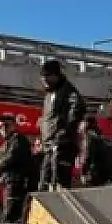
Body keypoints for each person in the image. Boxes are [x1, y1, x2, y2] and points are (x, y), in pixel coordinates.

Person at [37, 60, 85, 191]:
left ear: (56, 75)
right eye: (42, 77)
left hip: (62, 146)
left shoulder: (68, 91)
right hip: (49, 146)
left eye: (47, 76)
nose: (44, 80)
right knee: (43, 185)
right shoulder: (49, 95)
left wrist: (65, 132)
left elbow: (77, 109)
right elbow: (48, 118)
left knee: (59, 184)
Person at [0, 115, 36, 222]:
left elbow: (11, 156)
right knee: (8, 212)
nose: (3, 129)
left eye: (6, 126)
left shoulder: (18, 140)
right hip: (9, 182)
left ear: (13, 126)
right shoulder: (8, 142)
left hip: (15, 183)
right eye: (0, 127)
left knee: (10, 215)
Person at [77, 114, 112, 187]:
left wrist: (83, 174)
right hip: (107, 177)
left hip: (96, 176)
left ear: (86, 124)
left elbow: (88, 156)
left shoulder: (90, 137)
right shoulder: (103, 138)